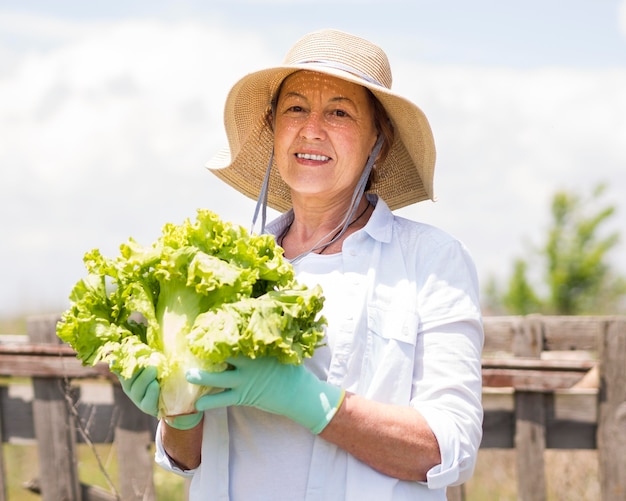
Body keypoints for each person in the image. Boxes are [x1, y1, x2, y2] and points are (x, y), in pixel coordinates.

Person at [119, 29, 483, 500]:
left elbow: (446, 450)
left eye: (339, 111)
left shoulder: (431, 261)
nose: (312, 129)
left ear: (380, 138)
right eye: (295, 108)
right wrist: (177, 410)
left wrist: (306, 399)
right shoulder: (223, 265)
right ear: (274, 128)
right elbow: (187, 459)